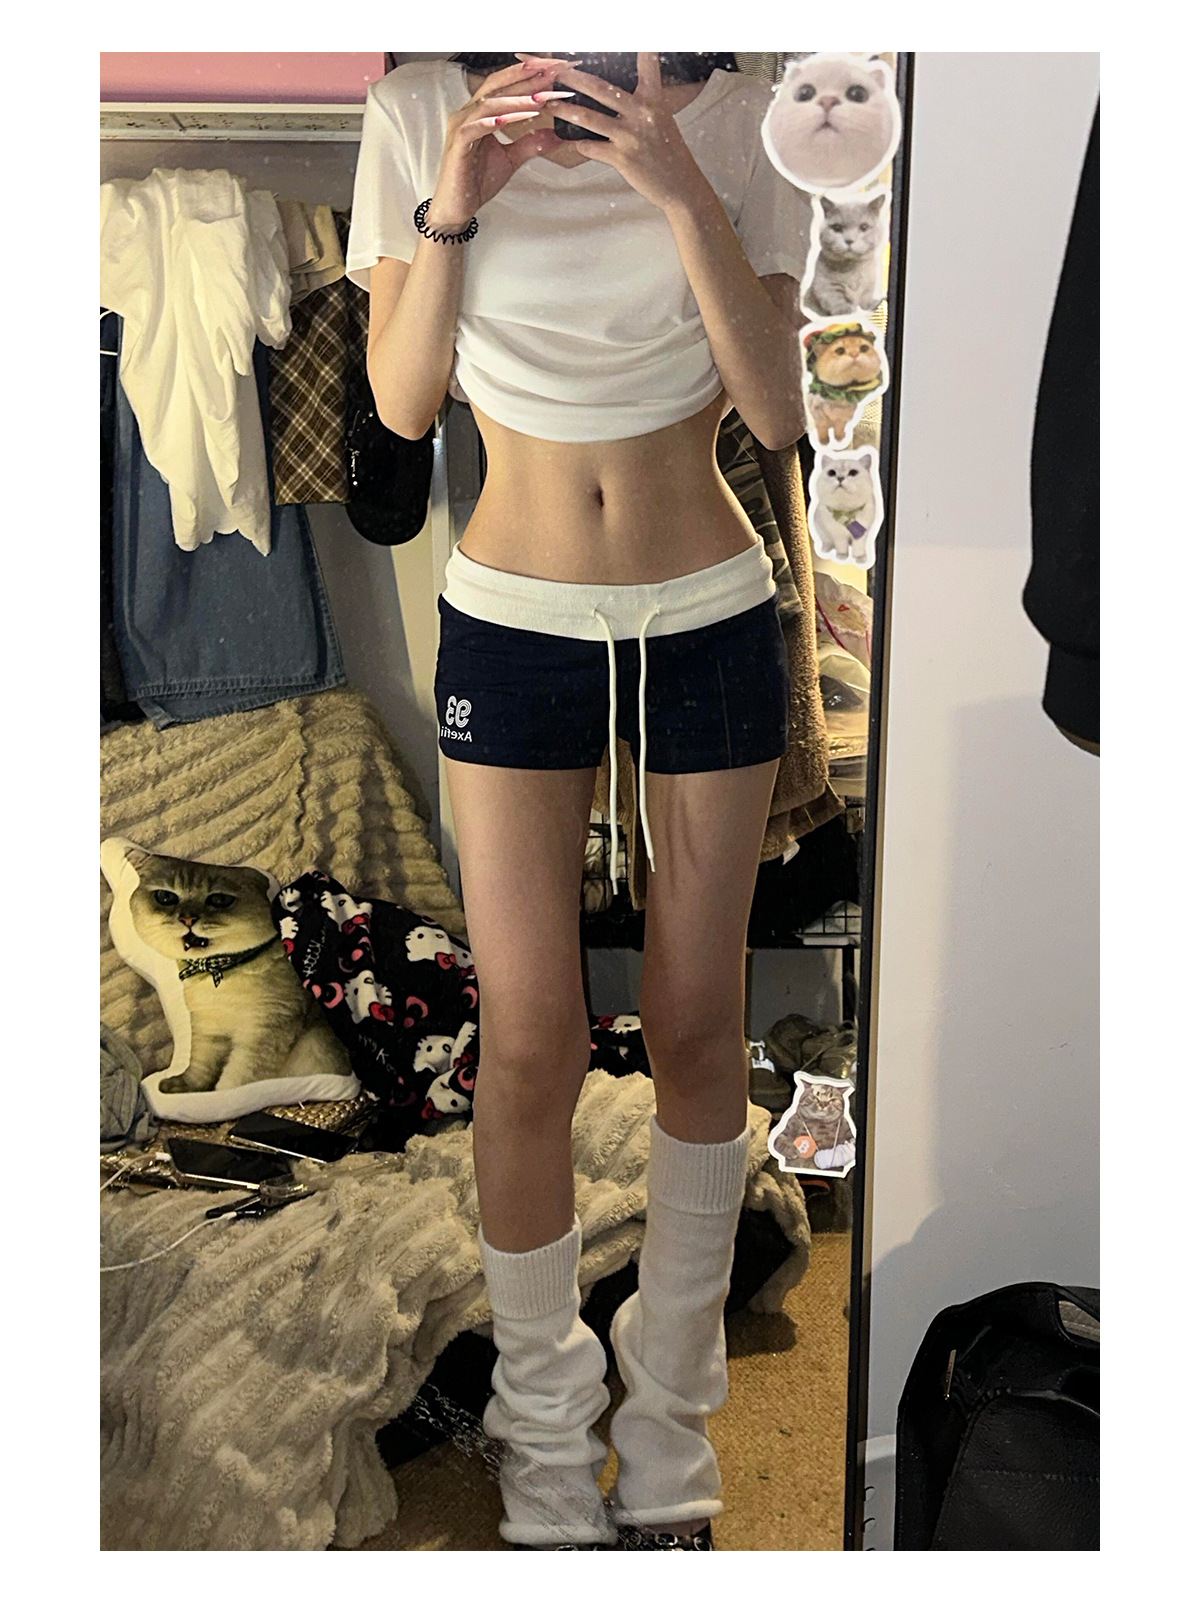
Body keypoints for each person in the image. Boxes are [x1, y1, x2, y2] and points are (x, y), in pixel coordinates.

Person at [348, 51, 811, 1550]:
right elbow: (401, 404)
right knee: (533, 1032)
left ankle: (670, 1426)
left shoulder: (744, 116)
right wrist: (456, 203)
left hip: (709, 606)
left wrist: (680, 190)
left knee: (696, 1019)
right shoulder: (423, 110)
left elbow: (776, 406)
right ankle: (544, 1433)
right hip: (512, 611)